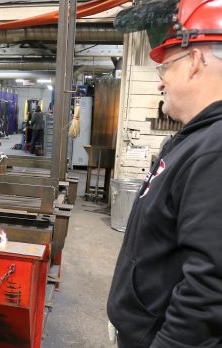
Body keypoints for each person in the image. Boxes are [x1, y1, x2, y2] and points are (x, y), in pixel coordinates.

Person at [107, 0, 222, 346]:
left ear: (196, 61)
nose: (160, 83)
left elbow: (210, 285)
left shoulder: (214, 150)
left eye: (165, 67)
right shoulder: (195, 139)